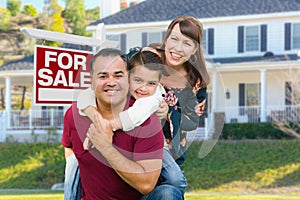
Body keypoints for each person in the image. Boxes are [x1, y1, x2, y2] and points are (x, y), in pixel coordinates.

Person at [62, 48, 182, 200]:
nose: (111, 82)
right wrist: (95, 116)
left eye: (118, 75)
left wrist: (105, 145)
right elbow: (69, 147)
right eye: (103, 76)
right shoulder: (75, 113)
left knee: (170, 190)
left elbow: (146, 185)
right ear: (91, 81)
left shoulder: (146, 115)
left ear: (126, 78)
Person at [145, 15, 209, 165]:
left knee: (174, 182)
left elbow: (192, 122)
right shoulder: (148, 58)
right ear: (166, 39)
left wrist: (169, 111)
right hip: (133, 141)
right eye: (174, 39)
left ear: (194, 50)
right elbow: (116, 72)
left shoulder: (197, 83)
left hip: (169, 152)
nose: (178, 48)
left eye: (187, 43)